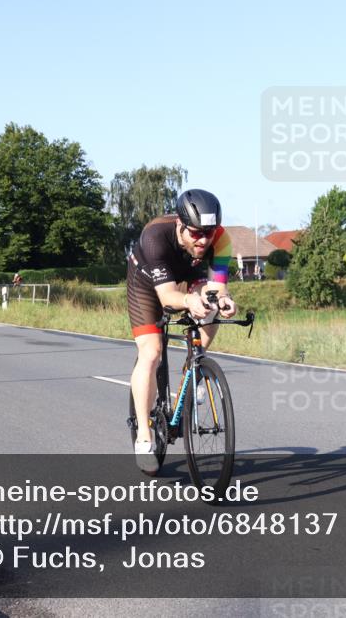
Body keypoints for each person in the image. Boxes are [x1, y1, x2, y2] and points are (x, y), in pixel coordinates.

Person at [126, 189, 237, 475]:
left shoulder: (221, 240)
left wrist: (223, 300)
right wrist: (188, 300)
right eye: (196, 233)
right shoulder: (155, 237)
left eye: (208, 233)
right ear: (180, 225)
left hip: (188, 275)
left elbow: (217, 286)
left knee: (211, 305)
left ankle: (195, 367)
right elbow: (167, 297)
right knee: (151, 352)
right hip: (146, 280)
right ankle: (144, 437)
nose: (203, 240)